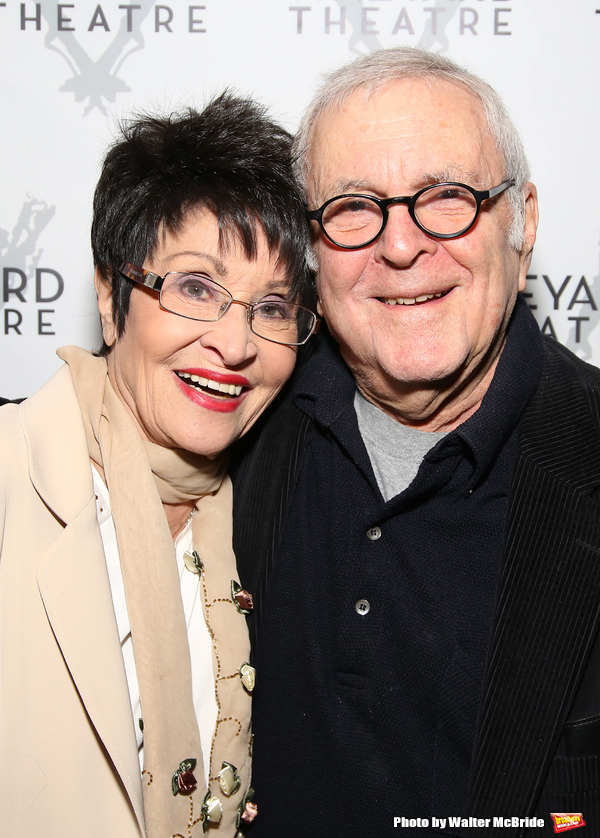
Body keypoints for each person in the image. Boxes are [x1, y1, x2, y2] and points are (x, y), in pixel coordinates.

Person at [232, 49, 600, 836]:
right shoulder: (238, 424)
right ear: (309, 250)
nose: (400, 247)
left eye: (447, 197)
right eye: (355, 207)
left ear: (523, 221)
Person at [0, 94, 316, 837]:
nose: (235, 345)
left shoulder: (265, 516)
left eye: (271, 306)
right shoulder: (12, 478)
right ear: (112, 297)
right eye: (196, 288)